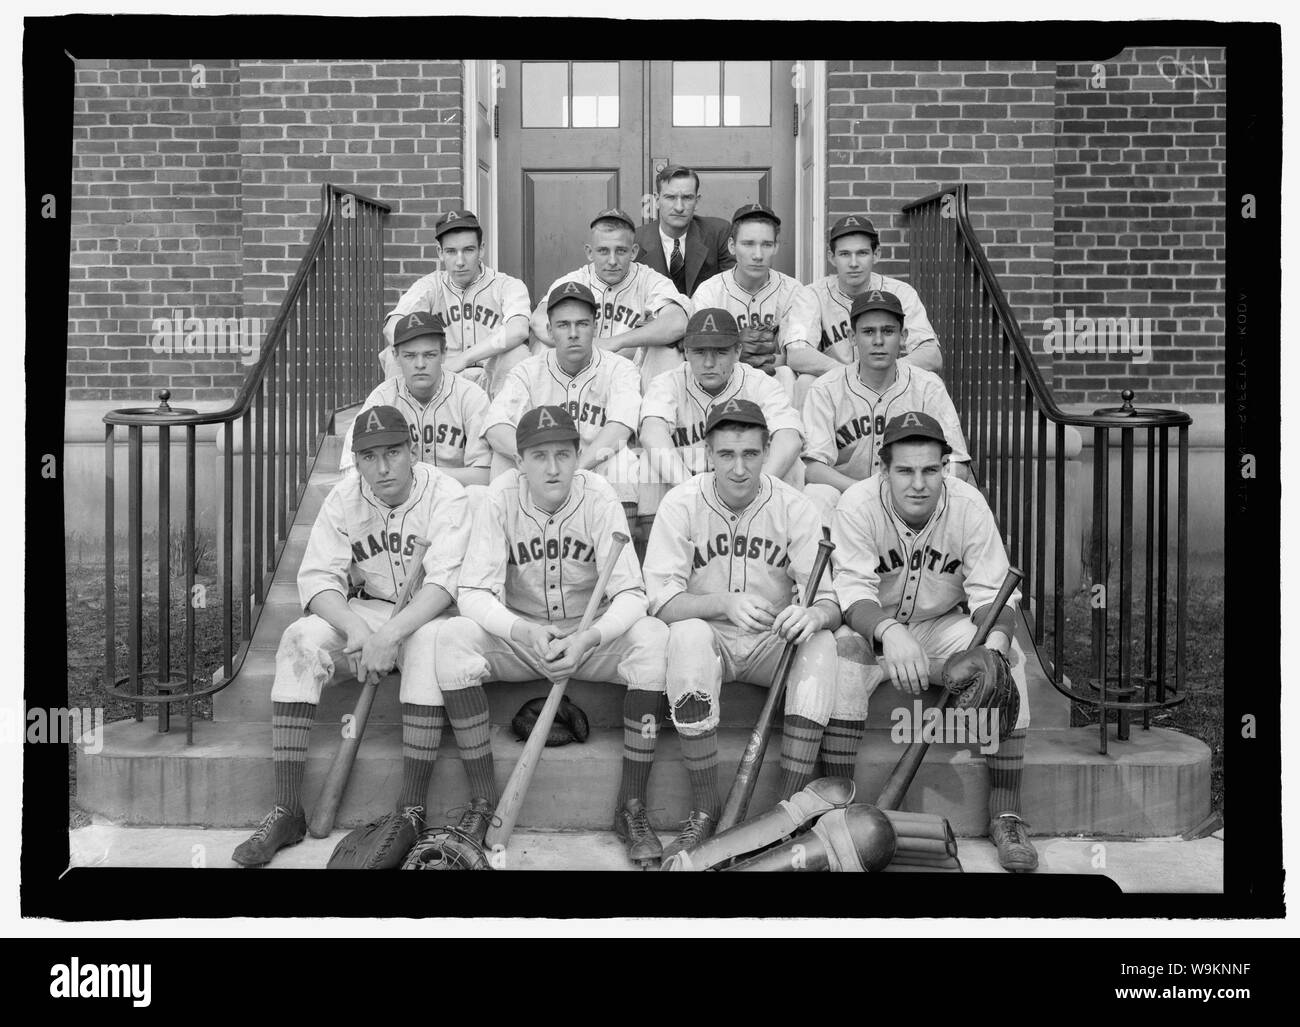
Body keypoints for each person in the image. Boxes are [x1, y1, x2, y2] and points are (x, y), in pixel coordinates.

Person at [432, 405, 671, 867]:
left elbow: (632, 595)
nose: (553, 467)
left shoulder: (599, 496)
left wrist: (589, 638)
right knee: (454, 637)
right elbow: (474, 593)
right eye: (539, 456)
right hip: (521, 637)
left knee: (653, 637)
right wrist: (521, 630)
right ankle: (483, 802)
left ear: (578, 456)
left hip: (588, 637)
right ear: (520, 461)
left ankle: (632, 807)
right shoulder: (498, 498)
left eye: (563, 454)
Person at [231, 405, 470, 867]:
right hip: (368, 609)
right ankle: (286, 809)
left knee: (425, 645)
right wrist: (358, 630)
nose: (382, 467)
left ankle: (412, 808)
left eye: (393, 453)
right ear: (356, 460)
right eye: (370, 456)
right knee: (300, 639)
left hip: (430, 614)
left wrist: (392, 635)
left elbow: (444, 586)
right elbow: (319, 581)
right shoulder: (344, 497)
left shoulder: (447, 494)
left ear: (412, 450)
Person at [825, 410, 1036, 872]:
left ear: (946, 466)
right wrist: (889, 631)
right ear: (883, 470)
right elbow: (852, 593)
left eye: (929, 470)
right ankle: (834, 805)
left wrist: (992, 651)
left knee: (1010, 659)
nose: (918, 483)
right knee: (840, 654)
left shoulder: (968, 504)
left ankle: (1006, 813)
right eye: (905, 470)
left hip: (943, 627)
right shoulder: (858, 504)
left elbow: (992, 595)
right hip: (875, 631)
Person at [643, 399, 841, 859]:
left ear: (767, 451)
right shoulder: (681, 503)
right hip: (710, 641)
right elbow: (660, 603)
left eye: (750, 454)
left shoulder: (795, 507)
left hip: (774, 643)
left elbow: (830, 601)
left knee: (825, 642)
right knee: (686, 634)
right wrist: (722, 603)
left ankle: (788, 814)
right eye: (727, 454)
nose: (738, 467)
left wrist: (813, 615)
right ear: (708, 454)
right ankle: (705, 812)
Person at [802, 289, 970, 527]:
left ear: (903, 337)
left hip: (915, 496)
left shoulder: (927, 387)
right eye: (868, 332)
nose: (878, 341)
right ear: (851, 337)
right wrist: (868, 494)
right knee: (817, 495)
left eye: (888, 331)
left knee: (961, 494)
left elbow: (956, 462)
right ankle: (822, 566)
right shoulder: (826, 388)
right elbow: (814, 469)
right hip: (848, 496)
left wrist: (923, 491)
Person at [484, 281, 641, 507]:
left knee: (623, 460)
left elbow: (620, 428)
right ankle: (510, 540)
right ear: (549, 330)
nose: (574, 333)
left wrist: (573, 468)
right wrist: (538, 463)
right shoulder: (528, 371)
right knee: (502, 460)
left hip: (593, 466)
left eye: (582, 324)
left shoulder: (620, 368)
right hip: (540, 469)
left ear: (594, 327)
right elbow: (496, 426)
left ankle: (621, 541)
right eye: (564, 325)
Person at [638, 308, 804, 512]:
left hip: (746, 482)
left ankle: (777, 536)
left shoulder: (759, 383)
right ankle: (654, 542)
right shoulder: (668, 382)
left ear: (737, 352)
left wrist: (755, 491)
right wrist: (692, 495)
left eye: (720, 352)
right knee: (650, 460)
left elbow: (790, 439)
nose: (709, 363)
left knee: (793, 465)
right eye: (700, 352)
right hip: (687, 485)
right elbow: (651, 433)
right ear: (687, 352)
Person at [530, 207, 691, 389]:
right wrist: (585, 346)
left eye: (621, 251)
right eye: (603, 251)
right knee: (542, 348)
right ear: (590, 253)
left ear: (633, 252)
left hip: (634, 377)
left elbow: (678, 322)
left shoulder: (649, 279)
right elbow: (539, 321)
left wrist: (614, 343)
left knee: (667, 350)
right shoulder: (575, 280)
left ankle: (656, 414)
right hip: (580, 370)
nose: (612, 260)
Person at [381, 210, 532, 397]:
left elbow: (519, 329)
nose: (460, 261)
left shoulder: (506, 285)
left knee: (518, 353)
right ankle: (404, 421)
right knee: (392, 356)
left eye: (468, 250)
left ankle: (507, 423)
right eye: (451, 251)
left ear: (481, 249)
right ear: (440, 253)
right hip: (440, 380)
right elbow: (392, 328)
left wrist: (463, 359)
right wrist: (431, 362)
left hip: (490, 378)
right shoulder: (430, 286)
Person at [340, 312, 491, 488]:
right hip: (398, 503)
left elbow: (484, 476)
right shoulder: (383, 398)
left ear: (443, 354)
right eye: (410, 356)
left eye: (429, 355)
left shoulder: (470, 396)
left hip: (458, 501)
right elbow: (350, 467)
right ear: (395, 356)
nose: (420, 364)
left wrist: (418, 473)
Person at [690, 203, 820, 403]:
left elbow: (797, 353)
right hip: (722, 379)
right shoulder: (710, 292)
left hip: (776, 379)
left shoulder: (794, 291)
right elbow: (698, 355)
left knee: (787, 374)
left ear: (776, 246)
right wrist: (734, 353)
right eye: (748, 244)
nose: (758, 255)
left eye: (766, 244)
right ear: (732, 246)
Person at [806, 214, 942, 382]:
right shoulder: (813, 294)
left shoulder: (900, 292)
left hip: (887, 385)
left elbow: (932, 355)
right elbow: (797, 353)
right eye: (844, 254)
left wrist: (883, 373)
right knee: (805, 379)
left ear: (876, 254)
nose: (853, 263)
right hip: (834, 385)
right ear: (831, 257)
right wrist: (849, 375)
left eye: (862, 253)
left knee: (931, 380)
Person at [633, 164, 734, 296]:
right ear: (657, 200)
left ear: (696, 201)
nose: (679, 207)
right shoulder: (636, 240)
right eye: (670, 197)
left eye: (687, 198)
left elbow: (732, 289)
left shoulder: (718, 233)